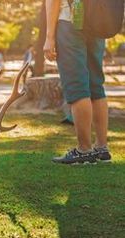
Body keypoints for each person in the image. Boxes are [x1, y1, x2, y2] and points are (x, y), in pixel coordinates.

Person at [44, 0, 111, 164]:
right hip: (96, 24)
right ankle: (102, 147)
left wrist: (49, 37)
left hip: (69, 23)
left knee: (77, 86)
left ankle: (84, 150)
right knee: (96, 86)